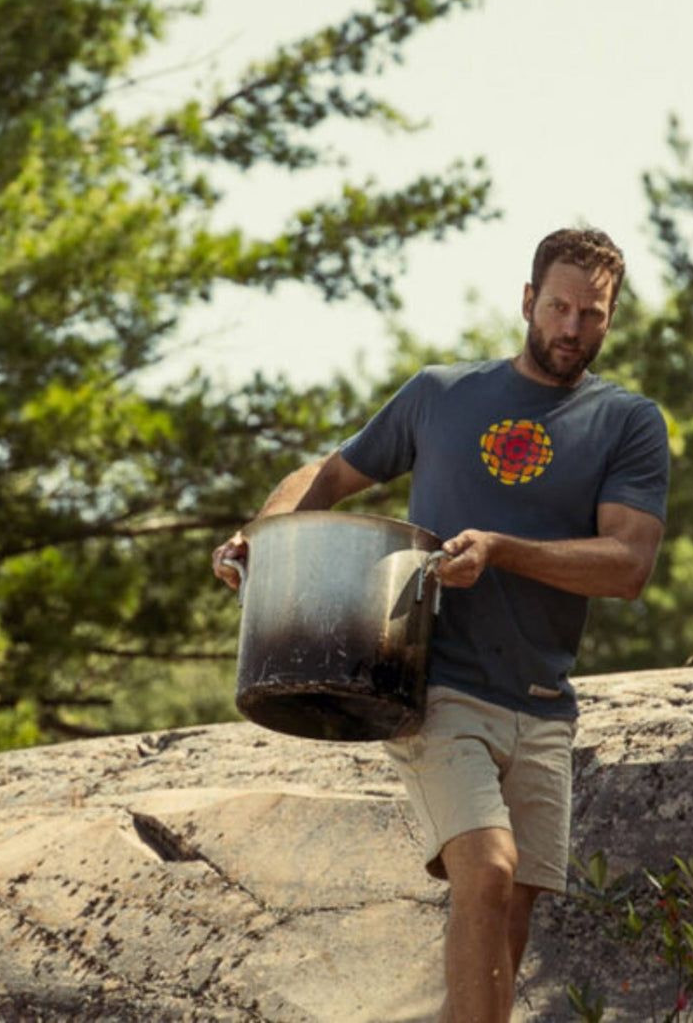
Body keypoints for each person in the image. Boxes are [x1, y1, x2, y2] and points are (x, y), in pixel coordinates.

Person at [212, 227, 669, 1023]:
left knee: (515, 909)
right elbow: (329, 472)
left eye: (591, 315)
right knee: (486, 870)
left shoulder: (626, 422)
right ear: (528, 301)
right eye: (558, 307)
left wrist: (500, 551)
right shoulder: (441, 394)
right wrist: (266, 534)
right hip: (435, 686)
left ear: (611, 319)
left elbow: (627, 565)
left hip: (542, 701)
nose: (571, 329)